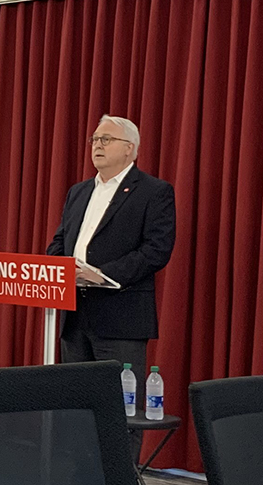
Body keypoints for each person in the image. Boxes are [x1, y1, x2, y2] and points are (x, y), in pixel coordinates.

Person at [45, 115, 176, 371]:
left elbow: (156, 250)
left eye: (106, 139)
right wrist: (58, 268)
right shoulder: (79, 191)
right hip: (73, 317)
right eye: (94, 139)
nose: (97, 145)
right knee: (77, 403)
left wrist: (102, 275)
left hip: (121, 319)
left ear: (130, 148)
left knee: (120, 403)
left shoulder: (153, 191)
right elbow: (60, 240)